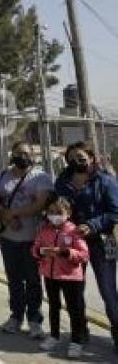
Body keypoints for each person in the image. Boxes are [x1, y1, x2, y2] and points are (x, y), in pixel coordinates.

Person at [55, 141, 118, 354]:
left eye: (81, 157)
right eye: (72, 159)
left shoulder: (106, 181)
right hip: (72, 243)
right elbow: (57, 209)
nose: (77, 162)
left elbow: (114, 212)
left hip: (101, 242)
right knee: (74, 291)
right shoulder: (62, 182)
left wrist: (92, 225)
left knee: (108, 290)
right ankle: (80, 331)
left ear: (91, 158)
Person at [0, 141, 51, 339]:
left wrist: (13, 213)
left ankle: (35, 320)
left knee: (33, 280)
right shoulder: (2, 175)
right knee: (14, 279)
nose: (22, 156)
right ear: (12, 154)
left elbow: (40, 204)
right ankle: (16, 316)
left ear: (32, 154)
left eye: (26, 153)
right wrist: (3, 213)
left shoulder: (40, 177)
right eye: (18, 153)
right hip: (8, 237)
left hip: (32, 237)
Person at [31, 195, 89, 358]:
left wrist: (65, 252)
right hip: (50, 275)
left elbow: (84, 255)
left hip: (71, 278)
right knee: (53, 306)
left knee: (74, 310)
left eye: (58, 212)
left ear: (68, 213)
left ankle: (76, 341)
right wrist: (41, 252)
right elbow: (35, 248)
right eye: (50, 212)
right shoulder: (44, 230)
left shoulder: (74, 231)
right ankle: (54, 336)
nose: (54, 215)